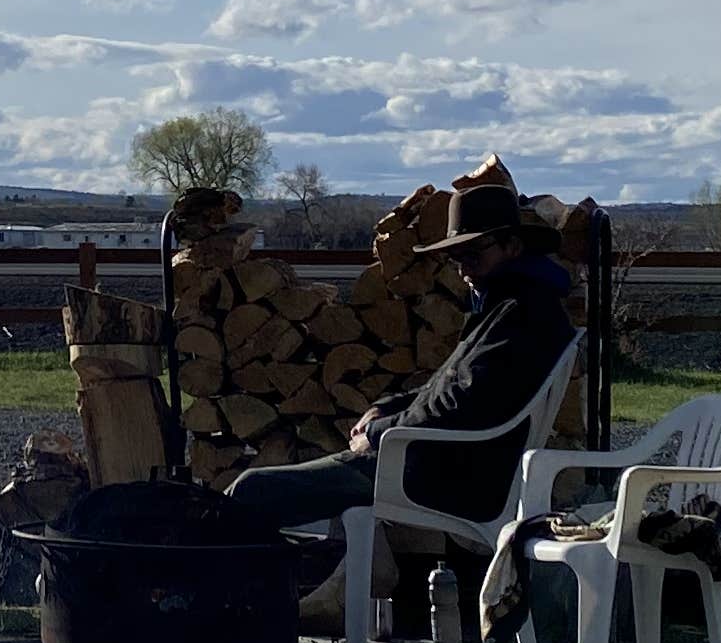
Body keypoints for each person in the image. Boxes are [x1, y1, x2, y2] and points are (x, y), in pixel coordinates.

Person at [222, 175, 588, 534]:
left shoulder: (522, 315)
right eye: (454, 258)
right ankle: (337, 588)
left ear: (513, 247)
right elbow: (453, 388)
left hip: (441, 476)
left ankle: (230, 591)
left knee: (252, 490)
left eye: (472, 255)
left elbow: (463, 405)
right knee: (257, 490)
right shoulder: (512, 304)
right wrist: (388, 406)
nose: (463, 270)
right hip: (432, 463)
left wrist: (380, 433)